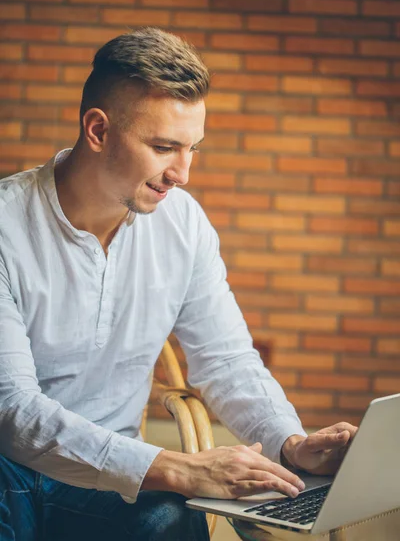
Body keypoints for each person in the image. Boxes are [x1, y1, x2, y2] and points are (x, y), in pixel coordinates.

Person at [0, 27, 356, 541]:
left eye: (192, 148)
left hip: (111, 481)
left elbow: (227, 360)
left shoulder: (183, 224)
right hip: (9, 468)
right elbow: (12, 410)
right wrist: (175, 466)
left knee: (173, 521)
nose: (183, 173)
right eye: (164, 147)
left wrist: (291, 443)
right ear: (97, 131)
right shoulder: (8, 225)